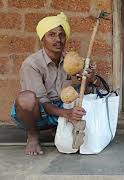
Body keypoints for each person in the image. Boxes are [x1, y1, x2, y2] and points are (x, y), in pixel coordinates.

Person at [10, 12, 100, 155]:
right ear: (42, 39)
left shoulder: (71, 60)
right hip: (37, 112)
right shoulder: (32, 64)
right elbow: (43, 102)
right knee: (26, 98)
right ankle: (33, 135)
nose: (58, 39)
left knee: (89, 92)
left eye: (61, 35)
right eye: (51, 35)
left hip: (59, 108)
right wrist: (66, 113)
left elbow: (86, 89)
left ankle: (59, 128)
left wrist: (89, 79)